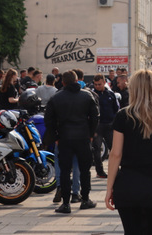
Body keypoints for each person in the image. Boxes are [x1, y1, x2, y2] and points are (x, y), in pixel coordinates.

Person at [104, 69, 152, 234]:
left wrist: (109, 188)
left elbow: (115, 154)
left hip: (128, 184)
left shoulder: (123, 116)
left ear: (133, 88)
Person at [45, 70, 99, 213]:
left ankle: (66, 203)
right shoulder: (87, 96)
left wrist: (56, 137)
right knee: (85, 170)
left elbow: (48, 120)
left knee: (64, 171)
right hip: (83, 137)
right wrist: (91, 134)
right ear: (77, 81)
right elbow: (95, 116)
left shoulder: (56, 97)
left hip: (64, 138)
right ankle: (85, 199)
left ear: (63, 82)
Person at [91, 73, 120, 179]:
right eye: (95, 84)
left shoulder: (110, 94)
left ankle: (116, 169)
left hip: (109, 125)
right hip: (97, 126)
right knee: (97, 149)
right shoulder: (92, 95)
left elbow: (116, 109)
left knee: (114, 148)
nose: (97, 86)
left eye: (99, 84)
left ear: (104, 82)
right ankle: (100, 171)